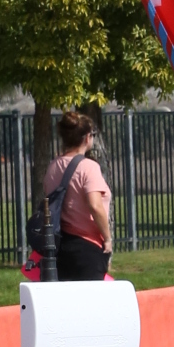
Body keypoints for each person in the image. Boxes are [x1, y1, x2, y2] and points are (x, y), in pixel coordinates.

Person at [43, 110, 113, 279]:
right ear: (87, 138)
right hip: (88, 247)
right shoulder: (89, 167)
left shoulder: (53, 167)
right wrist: (107, 238)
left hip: (61, 246)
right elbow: (95, 206)